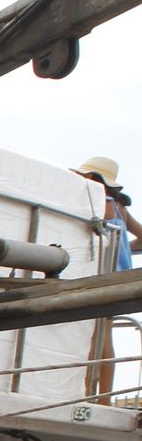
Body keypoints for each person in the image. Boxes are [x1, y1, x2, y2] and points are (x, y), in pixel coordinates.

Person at [73, 157, 142, 400]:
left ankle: (98, 396)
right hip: (120, 275)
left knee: (98, 337)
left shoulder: (103, 202)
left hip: (104, 276)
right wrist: (126, 247)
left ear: (93, 178)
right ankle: (102, 396)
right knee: (103, 334)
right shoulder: (121, 208)